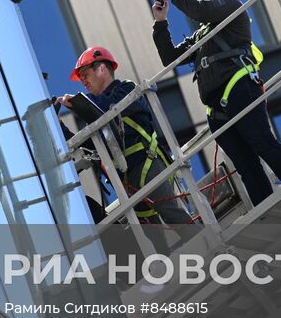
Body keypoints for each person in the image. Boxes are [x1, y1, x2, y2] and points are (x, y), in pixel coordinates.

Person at [152, 0, 281, 206]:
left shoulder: (232, 7)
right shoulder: (202, 34)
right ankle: (267, 208)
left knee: (262, 141)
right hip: (217, 109)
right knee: (246, 165)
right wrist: (160, 23)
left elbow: (198, 10)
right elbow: (171, 58)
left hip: (240, 89)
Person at [56, 46, 190, 225]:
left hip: (147, 163)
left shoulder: (126, 89)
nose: (83, 82)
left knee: (174, 216)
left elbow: (108, 106)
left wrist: (78, 103)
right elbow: (88, 144)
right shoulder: (95, 113)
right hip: (125, 176)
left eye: (85, 75)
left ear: (102, 68)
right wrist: (57, 124)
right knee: (152, 233)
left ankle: (209, 248)